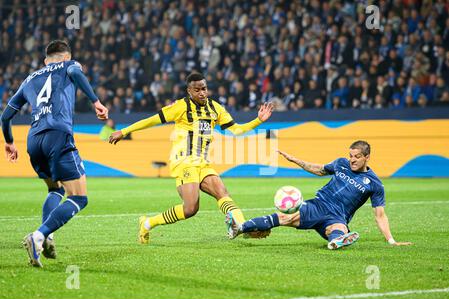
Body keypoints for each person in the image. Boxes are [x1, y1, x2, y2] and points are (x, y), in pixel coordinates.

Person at [109, 72, 274, 244]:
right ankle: (148, 223)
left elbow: (237, 130)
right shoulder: (180, 107)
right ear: (189, 91)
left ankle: (242, 226)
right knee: (190, 209)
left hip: (202, 163)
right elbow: (152, 120)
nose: (202, 93)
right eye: (197, 90)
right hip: (184, 162)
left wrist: (258, 120)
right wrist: (124, 131)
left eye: (204, 89)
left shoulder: (215, 108)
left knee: (221, 191)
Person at [0, 40, 108, 267]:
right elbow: (76, 74)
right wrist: (95, 101)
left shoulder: (29, 79)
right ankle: (38, 236)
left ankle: (47, 237)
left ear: (45, 60)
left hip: (34, 140)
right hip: (58, 135)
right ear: (66, 56)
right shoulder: (69, 65)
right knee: (79, 197)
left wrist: (9, 142)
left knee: (55, 189)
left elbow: (5, 117)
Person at [226, 141, 413, 250]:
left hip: (338, 216)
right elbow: (319, 169)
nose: (352, 160)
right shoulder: (341, 164)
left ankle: (336, 241)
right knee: (286, 217)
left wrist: (391, 241)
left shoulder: (374, 184)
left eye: (356, 156)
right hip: (319, 205)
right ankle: (239, 228)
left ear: (367, 157)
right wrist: (295, 160)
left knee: (339, 229)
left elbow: (380, 215)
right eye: (351, 155)